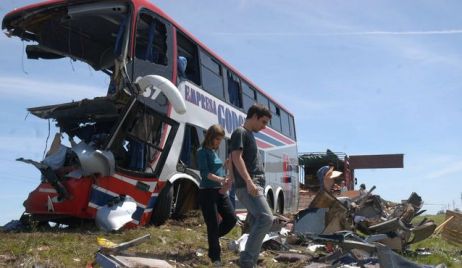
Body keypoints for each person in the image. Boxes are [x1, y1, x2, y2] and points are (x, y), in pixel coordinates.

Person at [230, 104, 274, 268]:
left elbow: (230, 159)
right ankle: (247, 261)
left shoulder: (247, 134)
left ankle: (250, 260)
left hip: (253, 183)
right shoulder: (240, 132)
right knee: (266, 218)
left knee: (256, 220)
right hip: (250, 184)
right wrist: (249, 182)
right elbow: (236, 157)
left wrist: (230, 178)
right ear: (254, 116)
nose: (264, 127)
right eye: (263, 122)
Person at [197, 124, 237, 266]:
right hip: (207, 193)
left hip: (219, 192)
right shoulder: (202, 152)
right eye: (218, 139)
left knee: (231, 219)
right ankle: (215, 257)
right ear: (211, 137)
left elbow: (216, 169)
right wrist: (221, 179)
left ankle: (212, 238)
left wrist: (225, 166)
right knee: (213, 224)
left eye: (220, 139)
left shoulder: (213, 152)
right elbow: (205, 174)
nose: (219, 142)